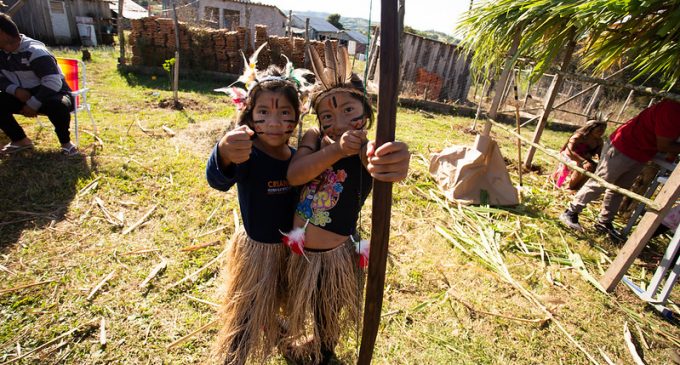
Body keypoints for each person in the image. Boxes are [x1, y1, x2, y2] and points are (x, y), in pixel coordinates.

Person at [281, 42, 410, 364]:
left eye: (348, 111)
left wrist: (393, 160)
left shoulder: (366, 148)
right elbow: (296, 175)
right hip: (297, 250)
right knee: (296, 300)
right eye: (327, 114)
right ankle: (294, 332)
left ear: (366, 115)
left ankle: (325, 351)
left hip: (332, 256)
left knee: (327, 309)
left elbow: (381, 162)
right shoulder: (315, 142)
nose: (337, 121)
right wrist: (332, 148)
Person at [205, 62, 312, 365]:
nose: (275, 122)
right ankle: (233, 356)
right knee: (247, 311)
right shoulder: (245, 150)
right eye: (263, 113)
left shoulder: (297, 159)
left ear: (298, 114)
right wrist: (223, 153)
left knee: (281, 299)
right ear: (250, 115)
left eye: (284, 113)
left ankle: (279, 334)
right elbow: (217, 179)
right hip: (256, 255)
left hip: (289, 252)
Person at [560, 99, 680, 242]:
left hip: (641, 153)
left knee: (619, 189)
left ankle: (604, 221)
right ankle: (571, 211)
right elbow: (664, 144)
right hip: (624, 147)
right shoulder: (672, 111)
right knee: (601, 182)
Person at [0, 13, 78, 156]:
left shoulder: (35, 51)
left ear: (3, 34)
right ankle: (20, 140)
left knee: (58, 105)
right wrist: (15, 90)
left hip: (54, 93)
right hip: (23, 95)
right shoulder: (1, 53)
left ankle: (66, 143)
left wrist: (33, 103)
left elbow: (53, 82)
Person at [551, 119, 606, 190]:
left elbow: (600, 155)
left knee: (593, 168)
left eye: (603, 131)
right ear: (591, 129)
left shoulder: (599, 141)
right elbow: (569, 151)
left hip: (584, 159)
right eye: (599, 130)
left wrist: (602, 164)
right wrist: (583, 162)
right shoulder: (578, 136)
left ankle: (578, 187)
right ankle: (569, 187)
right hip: (568, 157)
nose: (601, 133)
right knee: (582, 167)